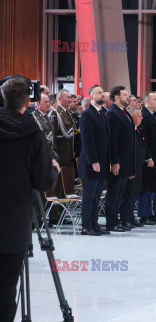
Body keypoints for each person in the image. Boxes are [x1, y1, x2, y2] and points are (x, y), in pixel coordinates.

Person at [0, 77, 59, 321]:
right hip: (12, 227)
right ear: (27, 103)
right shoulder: (31, 132)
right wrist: (54, 168)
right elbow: (43, 181)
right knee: (5, 289)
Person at [79, 85, 111, 235]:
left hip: (102, 161)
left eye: (102, 92)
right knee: (89, 196)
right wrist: (93, 161)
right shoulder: (87, 114)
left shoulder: (103, 113)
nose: (102, 94)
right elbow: (87, 140)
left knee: (97, 196)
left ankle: (95, 223)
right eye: (98, 92)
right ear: (91, 96)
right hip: (92, 162)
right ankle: (86, 226)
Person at [104, 86, 136, 232]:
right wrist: (114, 161)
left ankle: (117, 221)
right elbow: (112, 140)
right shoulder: (112, 114)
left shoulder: (124, 113)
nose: (128, 97)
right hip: (119, 161)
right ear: (117, 97)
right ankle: (111, 222)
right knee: (113, 193)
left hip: (126, 161)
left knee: (120, 193)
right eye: (125, 95)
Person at [118, 107, 147, 228]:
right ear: (132, 117)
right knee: (127, 195)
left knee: (133, 194)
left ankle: (131, 217)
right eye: (139, 115)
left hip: (138, 166)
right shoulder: (129, 131)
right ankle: (125, 219)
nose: (141, 118)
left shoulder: (137, 130)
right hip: (130, 167)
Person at [140, 92, 156, 225]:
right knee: (147, 187)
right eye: (155, 99)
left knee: (154, 186)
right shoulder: (144, 115)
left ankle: (150, 213)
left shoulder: (155, 115)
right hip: (148, 159)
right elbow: (145, 139)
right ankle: (144, 214)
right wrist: (148, 157)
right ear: (147, 101)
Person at [49, 89, 75, 198]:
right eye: (68, 97)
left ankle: (61, 212)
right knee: (59, 184)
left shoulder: (66, 113)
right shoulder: (55, 113)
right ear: (60, 99)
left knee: (65, 184)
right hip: (60, 154)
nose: (70, 99)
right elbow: (52, 136)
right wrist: (54, 154)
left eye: (70, 97)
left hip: (67, 153)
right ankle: (56, 213)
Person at [32, 94, 58, 159]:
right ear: (37, 103)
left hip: (49, 153)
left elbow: (52, 137)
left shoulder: (46, 116)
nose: (48, 104)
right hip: (41, 155)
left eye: (48, 102)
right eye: (45, 102)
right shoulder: (34, 117)